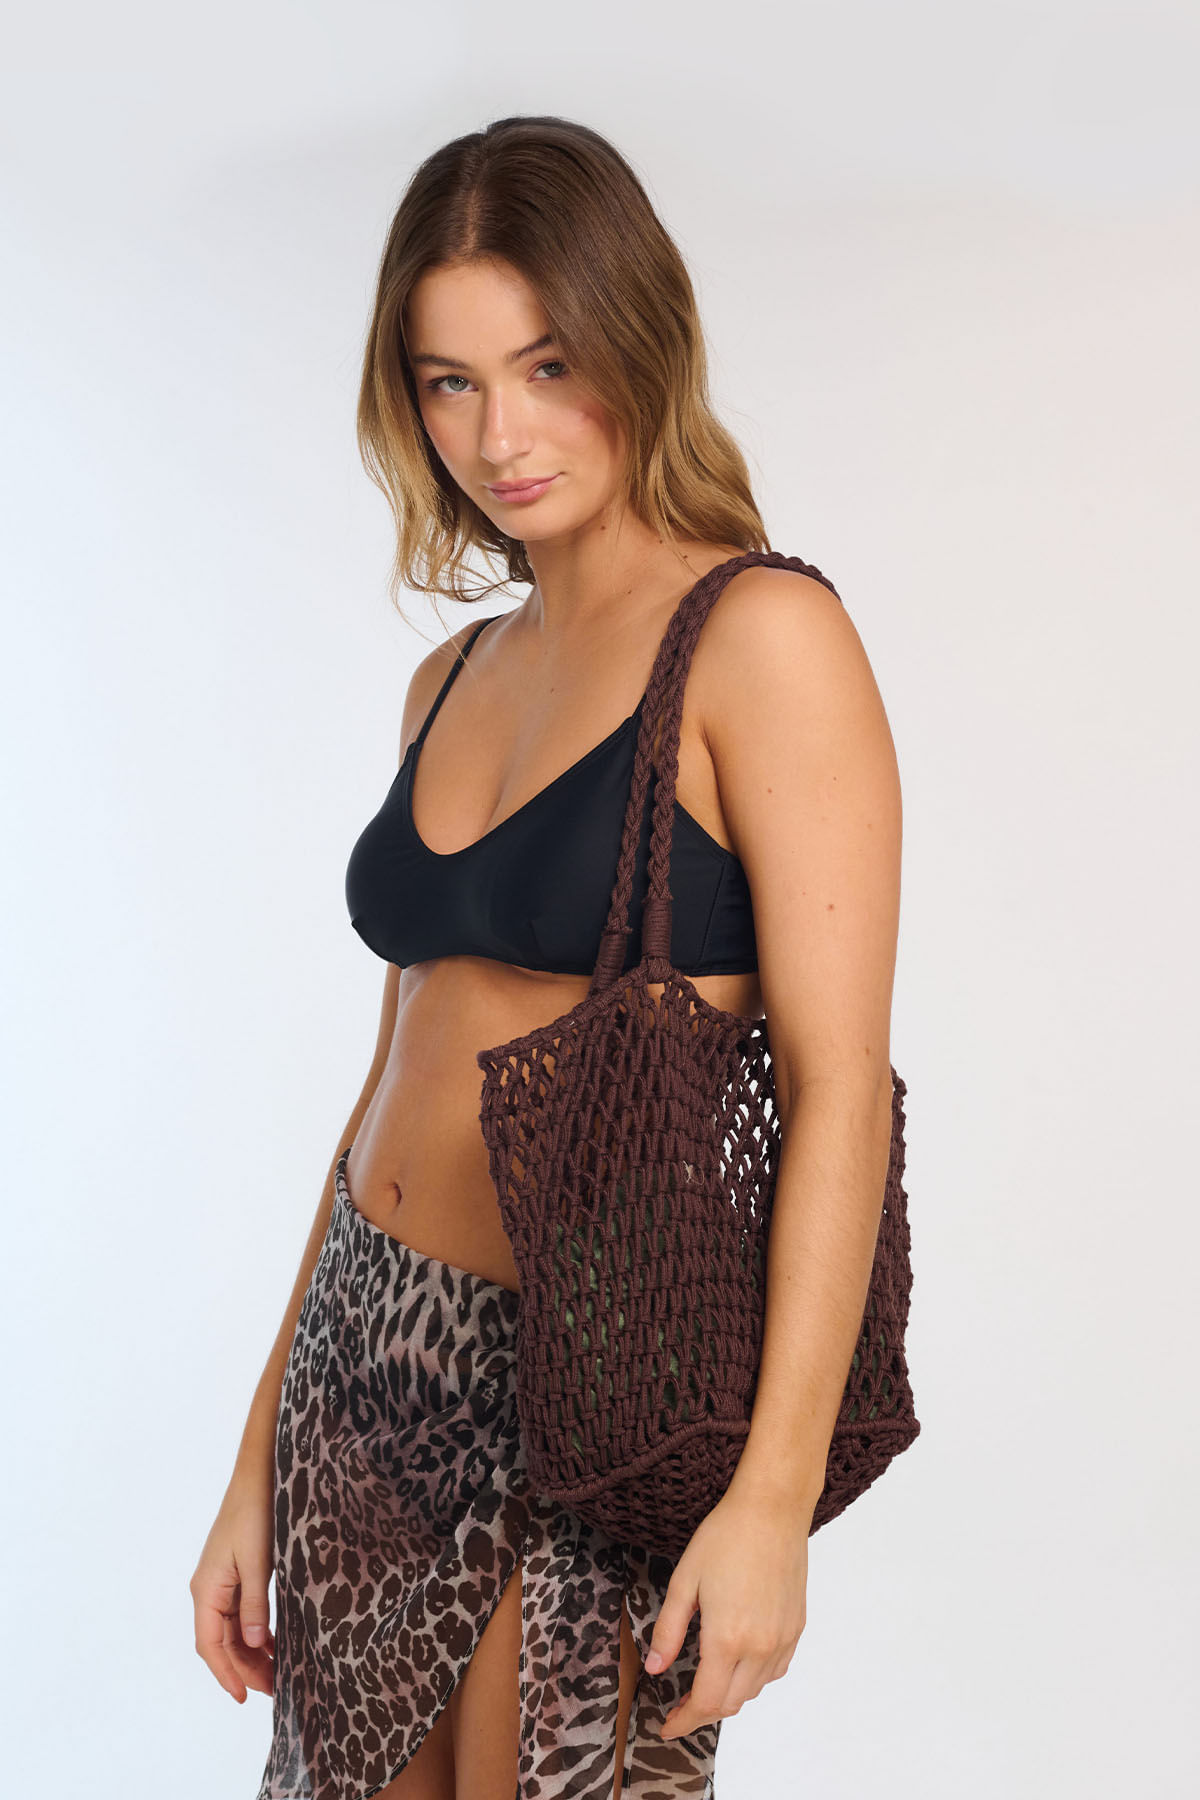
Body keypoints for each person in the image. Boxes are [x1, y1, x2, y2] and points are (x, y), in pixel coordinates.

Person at [190, 113, 902, 1800]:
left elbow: (840, 1095)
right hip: (367, 1368)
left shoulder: (762, 638)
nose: (499, 435)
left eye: (547, 365)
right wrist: (255, 1456)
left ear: (636, 340)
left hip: (599, 1396)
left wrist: (773, 1499)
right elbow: (390, 1079)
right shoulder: (449, 679)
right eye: (449, 382)